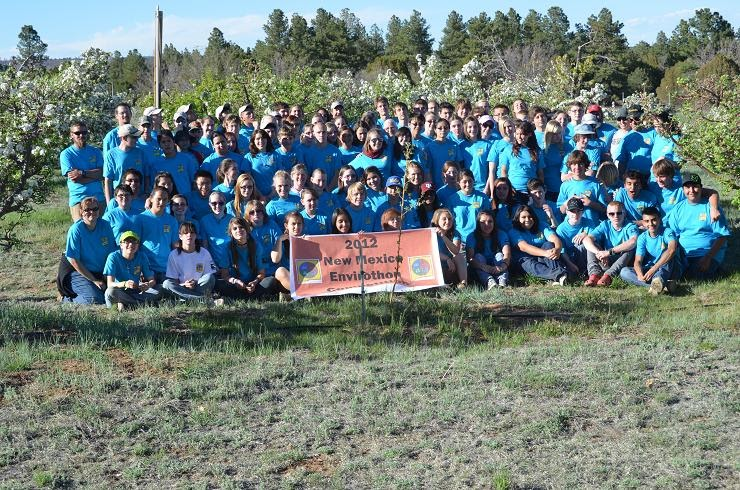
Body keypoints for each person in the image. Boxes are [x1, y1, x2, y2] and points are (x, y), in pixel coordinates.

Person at [666, 173, 731, 280]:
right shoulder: (678, 209)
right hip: (684, 254)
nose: (691, 190)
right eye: (687, 187)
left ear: (701, 188)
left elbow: (722, 236)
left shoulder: (712, 208)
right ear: (683, 189)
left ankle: (716, 269)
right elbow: (672, 234)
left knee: (693, 276)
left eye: (695, 186)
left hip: (705, 253)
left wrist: (708, 257)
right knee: (671, 270)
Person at [64, 197, 117, 304]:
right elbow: (73, 259)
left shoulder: (105, 225)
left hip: (102, 272)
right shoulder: (76, 230)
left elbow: (112, 253)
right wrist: (94, 280)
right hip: (79, 272)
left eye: (95, 209)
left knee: (114, 293)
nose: (91, 212)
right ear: (81, 212)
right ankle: (66, 299)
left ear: (99, 211)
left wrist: (108, 274)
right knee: (95, 299)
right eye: (87, 209)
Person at [619, 207, 678, 294]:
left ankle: (658, 282)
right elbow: (638, 260)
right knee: (624, 272)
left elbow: (671, 250)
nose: (650, 224)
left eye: (654, 220)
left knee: (668, 257)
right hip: (651, 269)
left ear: (659, 220)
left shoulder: (667, 232)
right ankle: (662, 286)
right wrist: (639, 274)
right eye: (647, 221)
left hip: (666, 268)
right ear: (643, 222)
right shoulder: (642, 237)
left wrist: (654, 269)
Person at [216, 217, 277, 300]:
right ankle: (253, 297)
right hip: (235, 284)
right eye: (235, 229)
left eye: (241, 227)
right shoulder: (227, 248)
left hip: (253, 283)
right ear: (231, 233)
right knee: (219, 284)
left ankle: (241, 297)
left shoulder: (256, 246)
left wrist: (254, 282)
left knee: (270, 280)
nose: (238, 230)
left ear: (247, 230)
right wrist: (235, 281)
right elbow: (224, 274)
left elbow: (261, 273)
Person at [508, 204, 569, 285]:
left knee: (548, 244)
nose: (527, 219)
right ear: (518, 219)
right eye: (523, 217)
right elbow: (524, 247)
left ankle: (555, 278)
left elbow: (554, 238)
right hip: (526, 260)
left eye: (530, 216)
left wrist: (557, 249)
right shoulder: (513, 231)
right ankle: (560, 275)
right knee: (525, 261)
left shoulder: (542, 225)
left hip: (544, 258)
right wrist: (545, 253)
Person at [582, 200, 638, 287]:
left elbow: (633, 241)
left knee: (630, 248)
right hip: (606, 260)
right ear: (608, 215)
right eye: (612, 214)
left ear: (624, 213)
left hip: (623, 261)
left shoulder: (630, 226)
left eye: (619, 213)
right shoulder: (605, 224)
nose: (615, 216)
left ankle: (609, 276)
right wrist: (599, 253)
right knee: (591, 245)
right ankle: (594, 275)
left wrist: (609, 252)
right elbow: (586, 239)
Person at [60, 121, 105, 221]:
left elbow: (102, 174)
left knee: (101, 232)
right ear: (71, 135)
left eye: (84, 133)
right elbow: (74, 178)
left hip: (99, 198)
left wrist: (82, 173)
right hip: (78, 200)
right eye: (77, 133)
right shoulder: (66, 154)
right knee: (82, 232)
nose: (81, 135)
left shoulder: (96, 151)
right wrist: (94, 176)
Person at [133, 187, 179, 284]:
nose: (161, 202)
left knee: (168, 288)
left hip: (166, 269)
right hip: (147, 269)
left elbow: (175, 246)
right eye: (159, 199)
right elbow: (135, 245)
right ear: (151, 199)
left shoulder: (172, 220)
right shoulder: (140, 219)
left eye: (165, 199)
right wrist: (139, 268)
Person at [104, 230, 160, 310]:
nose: (131, 244)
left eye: (134, 242)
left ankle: (126, 304)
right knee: (110, 292)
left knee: (160, 288)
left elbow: (152, 280)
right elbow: (110, 284)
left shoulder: (142, 256)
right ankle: (141, 304)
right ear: (121, 245)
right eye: (127, 242)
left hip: (135, 292)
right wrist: (124, 284)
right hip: (120, 292)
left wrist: (148, 285)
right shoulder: (113, 257)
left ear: (138, 245)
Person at [163, 222, 218, 302]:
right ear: (180, 236)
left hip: (199, 286)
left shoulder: (204, 252)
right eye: (185, 233)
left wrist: (195, 282)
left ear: (196, 235)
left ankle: (186, 299)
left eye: (192, 232)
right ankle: (204, 300)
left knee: (210, 277)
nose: (189, 235)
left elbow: (209, 274)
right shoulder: (173, 255)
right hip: (182, 287)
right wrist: (184, 285)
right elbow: (174, 280)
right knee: (166, 283)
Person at [557, 150, 608, 224]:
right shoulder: (565, 185)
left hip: (592, 227)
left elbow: (605, 209)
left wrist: (590, 203)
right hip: (573, 229)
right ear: (570, 166)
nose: (577, 167)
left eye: (580, 164)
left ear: (586, 165)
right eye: (574, 164)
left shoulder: (596, 183)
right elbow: (560, 211)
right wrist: (568, 202)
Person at [499, 120, 544, 202]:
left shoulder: (537, 151)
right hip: (513, 191)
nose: (519, 137)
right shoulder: (508, 149)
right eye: (517, 134)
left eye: (522, 134)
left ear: (529, 134)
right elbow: (504, 171)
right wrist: (508, 188)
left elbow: (540, 173)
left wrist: (540, 189)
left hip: (531, 192)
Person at [466, 209, 511, 289]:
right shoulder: (471, 236)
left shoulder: (501, 234)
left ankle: (502, 280)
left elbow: (507, 253)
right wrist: (485, 267)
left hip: (497, 266)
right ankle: (489, 281)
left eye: (490, 221)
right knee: (478, 257)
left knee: (500, 255)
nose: (487, 224)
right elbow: (470, 258)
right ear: (478, 224)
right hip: (481, 266)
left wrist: (502, 267)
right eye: (482, 222)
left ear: (494, 222)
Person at [103, 124, 147, 203]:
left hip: (139, 199)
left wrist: (146, 194)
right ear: (124, 138)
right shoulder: (111, 154)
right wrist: (109, 203)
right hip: (121, 200)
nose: (137, 139)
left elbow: (147, 175)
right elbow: (108, 180)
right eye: (134, 137)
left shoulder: (140, 153)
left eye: (137, 137)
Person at [445, 169, 492, 242]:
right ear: (458, 183)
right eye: (464, 182)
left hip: (479, 238)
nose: (467, 184)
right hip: (460, 240)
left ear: (473, 181)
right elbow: (450, 222)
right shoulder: (452, 199)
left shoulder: (482, 197)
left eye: (470, 181)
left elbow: (488, 219)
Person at [555, 198, 596, 280]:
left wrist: (585, 235)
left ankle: (590, 272)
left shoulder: (589, 222)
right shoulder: (561, 229)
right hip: (569, 259)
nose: (575, 214)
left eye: (578, 211)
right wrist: (570, 264)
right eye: (572, 211)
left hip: (585, 257)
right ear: (567, 212)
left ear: (583, 212)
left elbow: (596, 236)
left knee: (585, 244)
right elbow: (562, 251)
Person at [149, 129, 197, 197]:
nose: (167, 144)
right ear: (159, 145)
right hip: (165, 201)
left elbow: (194, 181)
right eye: (163, 142)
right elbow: (154, 187)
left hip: (185, 199)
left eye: (169, 141)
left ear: (173, 141)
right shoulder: (156, 164)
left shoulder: (186, 159)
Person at [431, 208, 467, 288]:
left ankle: (463, 283)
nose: (448, 222)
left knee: (460, 256)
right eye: (444, 219)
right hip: (438, 264)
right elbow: (431, 251)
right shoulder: (431, 233)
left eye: (450, 219)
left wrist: (443, 236)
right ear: (437, 221)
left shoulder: (455, 233)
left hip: (452, 266)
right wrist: (447, 259)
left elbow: (455, 251)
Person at [272, 211, 305, 298]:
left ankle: (292, 296)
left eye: (299, 224)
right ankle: (303, 294)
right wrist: (279, 240)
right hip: (287, 278)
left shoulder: (307, 240)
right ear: (286, 226)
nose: (296, 227)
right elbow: (275, 260)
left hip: (303, 275)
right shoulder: (281, 241)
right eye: (293, 224)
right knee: (280, 271)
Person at [427, 118, 464, 189]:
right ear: (435, 130)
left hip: (452, 184)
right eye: (440, 128)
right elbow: (428, 169)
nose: (443, 130)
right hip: (436, 185)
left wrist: (458, 182)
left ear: (449, 129)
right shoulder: (429, 147)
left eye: (445, 128)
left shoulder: (454, 145)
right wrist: (431, 185)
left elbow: (458, 165)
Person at [461, 116, 492, 193]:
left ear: (478, 128)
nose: (473, 129)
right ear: (465, 128)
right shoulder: (461, 146)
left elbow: (491, 170)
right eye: (470, 127)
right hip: (467, 186)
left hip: (483, 187)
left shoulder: (487, 145)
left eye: (475, 126)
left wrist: (487, 187)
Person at [542, 120, 570, 200]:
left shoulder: (567, 146)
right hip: (549, 188)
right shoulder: (543, 150)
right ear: (548, 134)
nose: (557, 136)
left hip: (566, 187)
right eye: (554, 134)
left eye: (559, 133)